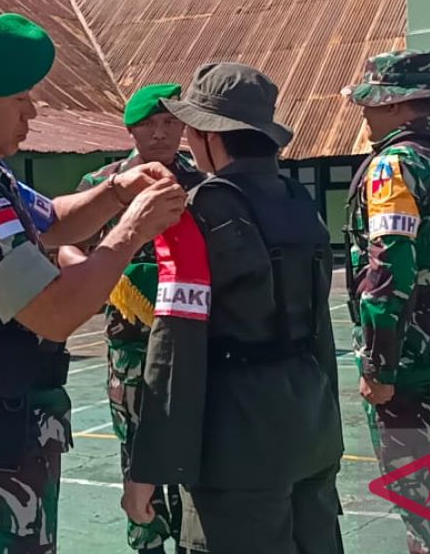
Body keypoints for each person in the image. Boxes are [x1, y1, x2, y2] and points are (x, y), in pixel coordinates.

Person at [0, 11, 187, 553]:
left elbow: (51, 220)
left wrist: (116, 193)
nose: (32, 112)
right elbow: (54, 312)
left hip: (7, 428)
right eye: (18, 100)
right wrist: (130, 231)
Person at [126, 62, 344, 554]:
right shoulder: (300, 202)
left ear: (209, 136)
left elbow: (174, 346)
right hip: (312, 425)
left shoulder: (196, 212)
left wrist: (149, 468)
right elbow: (321, 332)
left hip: (237, 443)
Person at [341, 50, 430, 554]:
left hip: (412, 355)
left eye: (371, 102)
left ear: (396, 105)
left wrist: (379, 366)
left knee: (421, 492)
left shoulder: (393, 167)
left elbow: (389, 269)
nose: (364, 113)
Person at [75, 83, 205, 553]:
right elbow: (67, 240)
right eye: (149, 124)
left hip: (191, 345)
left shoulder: (201, 185)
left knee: (195, 450)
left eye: (171, 122)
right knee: (135, 447)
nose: (161, 132)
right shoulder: (105, 185)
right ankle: (147, 539)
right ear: (131, 129)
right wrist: (93, 276)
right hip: (131, 347)